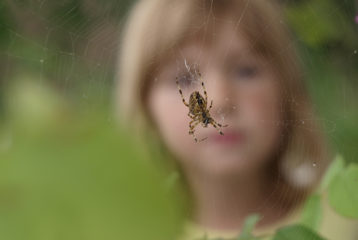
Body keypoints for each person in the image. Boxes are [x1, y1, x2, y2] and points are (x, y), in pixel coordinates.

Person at [116, 0, 357, 239]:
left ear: (287, 90)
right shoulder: (133, 231)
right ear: (145, 106)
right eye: (184, 79)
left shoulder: (347, 220)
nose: (220, 100)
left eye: (246, 71)